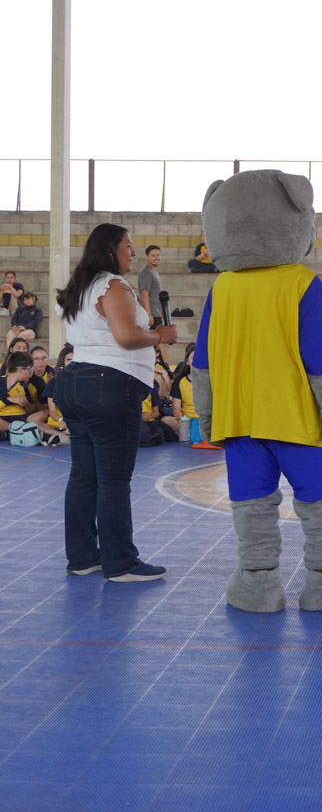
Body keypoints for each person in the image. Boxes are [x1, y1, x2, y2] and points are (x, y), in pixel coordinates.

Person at [55, 223, 178, 581]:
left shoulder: (80, 286)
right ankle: (120, 563)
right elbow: (125, 336)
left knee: (84, 475)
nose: (133, 252)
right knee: (113, 480)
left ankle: (82, 557)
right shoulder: (112, 285)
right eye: (128, 245)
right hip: (109, 386)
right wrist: (160, 334)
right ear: (110, 250)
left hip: (75, 382)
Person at [0, 351, 49, 435]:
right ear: (20, 369)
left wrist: (26, 403)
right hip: (3, 418)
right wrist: (9, 400)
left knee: (45, 412)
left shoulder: (23, 386)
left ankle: (18, 429)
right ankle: (18, 429)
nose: (31, 374)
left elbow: (31, 409)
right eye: (29, 370)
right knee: (35, 425)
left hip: (23, 418)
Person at [137, 244, 163, 329]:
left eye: (158, 255)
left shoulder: (153, 271)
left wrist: (160, 311)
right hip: (152, 316)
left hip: (156, 313)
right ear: (147, 257)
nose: (156, 258)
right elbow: (144, 293)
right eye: (153, 255)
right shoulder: (146, 272)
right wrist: (148, 315)